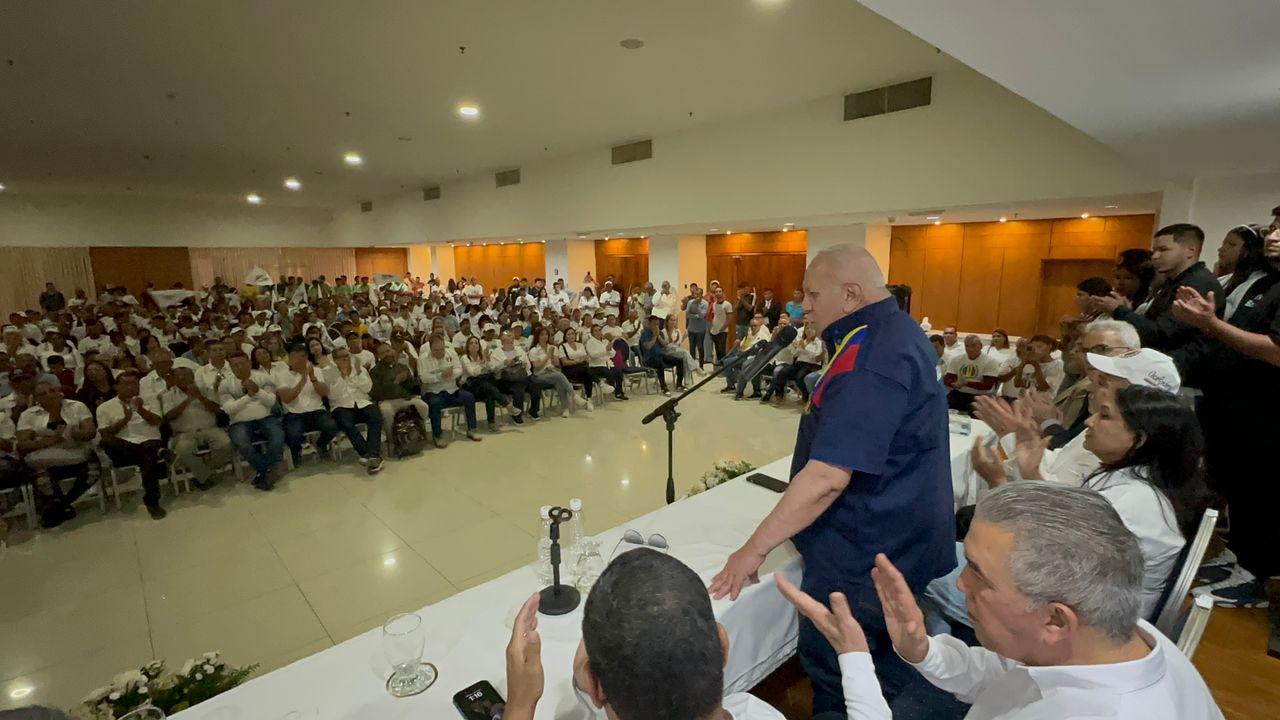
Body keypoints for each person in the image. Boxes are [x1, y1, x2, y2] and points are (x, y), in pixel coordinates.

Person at [710, 244, 954, 715]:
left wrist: (754, 549)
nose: (803, 306)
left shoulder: (871, 355)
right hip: (897, 532)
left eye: (812, 294)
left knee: (843, 674)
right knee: (885, 663)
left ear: (850, 294)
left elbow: (828, 476)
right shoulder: (893, 330)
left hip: (867, 549)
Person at [778, 483, 1223, 720]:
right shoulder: (1114, 640)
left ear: (1055, 620)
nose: (959, 584)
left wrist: (855, 660)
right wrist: (923, 650)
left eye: (977, 572)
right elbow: (1008, 679)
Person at [502, 549, 786, 720]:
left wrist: (520, 707)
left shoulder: (594, 692)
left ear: (597, 689)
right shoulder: (758, 711)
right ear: (723, 645)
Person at [1172, 224, 1280, 607]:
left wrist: (1212, 325)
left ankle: (1254, 579)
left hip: (1267, 414)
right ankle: (1240, 559)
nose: (1274, 236)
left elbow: (1275, 351)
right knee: (1239, 489)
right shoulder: (1267, 283)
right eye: (1274, 227)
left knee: (1260, 494)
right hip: (1238, 406)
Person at [1093, 223, 1223, 375]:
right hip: (1162, 365)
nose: (1155, 256)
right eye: (1154, 250)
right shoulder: (1174, 281)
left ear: (1190, 250)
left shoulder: (1197, 283)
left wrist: (1119, 311)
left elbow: (1162, 333)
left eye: (1163, 249)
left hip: (1178, 371)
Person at [17, 380, 98, 528]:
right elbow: (23, 445)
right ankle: (59, 508)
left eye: (52, 391)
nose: (49, 395)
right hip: (45, 460)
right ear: (36, 399)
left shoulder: (77, 406)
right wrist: (54, 439)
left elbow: (90, 432)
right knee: (39, 475)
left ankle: (59, 506)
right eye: (43, 394)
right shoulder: (28, 415)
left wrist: (71, 433)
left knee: (94, 471)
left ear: (59, 392)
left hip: (77, 454)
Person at [94, 371, 168, 518]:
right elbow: (105, 434)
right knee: (107, 442)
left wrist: (140, 410)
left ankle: (152, 503)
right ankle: (160, 454)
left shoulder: (149, 399)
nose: (131, 387)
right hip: (123, 449)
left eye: (134, 383)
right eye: (126, 384)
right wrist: (125, 420)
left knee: (147, 456)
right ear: (116, 386)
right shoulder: (105, 407)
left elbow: (157, 422)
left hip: (149, 441)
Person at [219, 351, 283, 491]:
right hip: (239, 422)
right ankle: (266, 471)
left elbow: (271, 401)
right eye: (235, 365)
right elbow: (229, 409)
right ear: (231, 367)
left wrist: (258, 391)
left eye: (242, 363)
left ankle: (262, 473)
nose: (239, 367)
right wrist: (248, 396)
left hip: (265, 417)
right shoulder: (225, 384)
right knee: (242, 443)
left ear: (249, 363)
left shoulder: (263, 378)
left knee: (278, 437)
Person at [161, 366, 233, 490]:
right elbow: (169, 416)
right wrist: (188, 400)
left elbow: (218, 409)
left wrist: (200, 397)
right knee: (183, 450)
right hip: (184, 433)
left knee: (227, 443)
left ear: (193, 377)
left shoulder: (206, 389)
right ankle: (205, 476)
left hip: (209, 428)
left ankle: (204, 471)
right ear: (174, 379)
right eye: (179, 376)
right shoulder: (168, 395)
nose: (182, 378)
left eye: (186, 375)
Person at [272, 344, 338, 466]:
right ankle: (296, 450)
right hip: (294, 413)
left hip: (317, 410)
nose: (297, 361)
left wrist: (313, 378)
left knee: (332, 426)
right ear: (290, 359)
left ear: (306, 357)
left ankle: (321, 444)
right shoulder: (281, 375)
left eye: (301, 357)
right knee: (293, 433)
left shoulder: (317, 371)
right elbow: (287, 399)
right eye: (294, 358)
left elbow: (324, 393)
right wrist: (303, 379)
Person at [323, 345, 384, 473]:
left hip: (362, 402)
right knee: (346, 423)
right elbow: (333, 395)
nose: (345, 359)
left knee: (375, 416)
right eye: (341, 357)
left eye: (347, 355)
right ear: (335, 360)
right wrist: (342, 375)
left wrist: (358, 372)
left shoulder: (359, 369)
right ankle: (369, 455)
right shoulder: (328, 372)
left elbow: (367, 388)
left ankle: (371, 455)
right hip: (341, 405)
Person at [418, 334, 481, 447]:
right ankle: (438, 435)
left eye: (442, 349)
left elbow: (459, 370)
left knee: (469, 397)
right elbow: (424, 378)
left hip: (452, 389)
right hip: (433, 392)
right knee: (434, 403)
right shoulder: (423, 359)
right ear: (430, 348)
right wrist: (439, 376)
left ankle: (472, 429)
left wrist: (451, 374)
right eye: (436, 350)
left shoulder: (451, 354)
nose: (440, 352)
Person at [368, 342, 431, 443]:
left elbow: (413, 387)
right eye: (383, 353)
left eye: (388, 351)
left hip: (406, 397)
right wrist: (395, 382)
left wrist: (409, 380)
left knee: (423, 406)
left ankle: (418, 431)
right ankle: (391, 439)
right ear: (378, 356)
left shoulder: (402, 367)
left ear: (392, 350)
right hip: (387, 400)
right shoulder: (374, 371)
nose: (387, 354)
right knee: (386, 412)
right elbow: (376, 392)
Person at [460, 336, 523, 430]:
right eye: (471, 343)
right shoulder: (464, 358)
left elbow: (493, 368)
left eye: (476, 343)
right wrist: (482, 363)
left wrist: (504, 363)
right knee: (485, 385)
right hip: (470, 385)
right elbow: (473, 373)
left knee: (489, 392)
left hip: (482, 385)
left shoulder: (482, 357)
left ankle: (491, 423)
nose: (474, 345)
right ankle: (508, 405)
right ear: (467, 346)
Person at [1215, 224, 1276, 320]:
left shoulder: (1260, 283)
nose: (1221, 249)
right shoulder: (1224, 279)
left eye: (1232, 245)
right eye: (1224, 243)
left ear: (1250, 250)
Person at [941, 335, 1000, 413]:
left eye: (973, 346)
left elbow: (988, 385)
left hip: (979, 397)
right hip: (958, 394)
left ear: (981, 346)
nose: (970, 349)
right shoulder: (956, 359)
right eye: (967, 346)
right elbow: (947, 378)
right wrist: (953, 383)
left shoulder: (990, 362)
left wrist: (966, 383)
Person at [768, 322, 823, 403]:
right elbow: (794, 354)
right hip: (799, 364)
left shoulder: (818, 342)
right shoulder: (802, 341)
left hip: (811, 365)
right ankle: (779, 394)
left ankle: (805, 396)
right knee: (782, 371)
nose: (809, 331)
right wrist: (795, 347)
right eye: (807, 328)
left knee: (799, 376)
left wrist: (804, 349)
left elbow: (816, 358)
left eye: (812, 329)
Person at [528, 326, 575, 418]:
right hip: (539, 375)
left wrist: (552, 355)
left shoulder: (552, 347)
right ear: (537, 337)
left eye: (546, 334)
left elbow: (556, 364)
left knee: (559, 381)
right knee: (559, 376)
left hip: (552, 373)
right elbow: (537, 367)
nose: (544, 337)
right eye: (542, 335)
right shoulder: (534, 350)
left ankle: (565, 408)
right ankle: (573, 395)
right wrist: (548, 355)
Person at [639, 315, 684, 396]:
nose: (656, 326)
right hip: (649, 358)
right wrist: (654, 336)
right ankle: (664, 388)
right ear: (649, 324)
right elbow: (648, 346)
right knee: (659, 364)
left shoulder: (660, 333)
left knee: (679, 361)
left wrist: (658, 336)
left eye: (658, 324)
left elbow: (665, 345)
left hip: (661, 355)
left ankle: (679, 385)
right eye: (654, 324)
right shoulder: (645, 334)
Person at [555, 328, 597, 410]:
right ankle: (599, 383)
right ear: (565, 337)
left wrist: (581, 360)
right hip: (569, 370)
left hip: (582, 369)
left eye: (573, 334)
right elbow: (564, 362)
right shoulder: (563, 346)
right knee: (587, 371)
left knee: (587, 373)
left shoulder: (580, 345)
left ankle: (588, 398)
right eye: (569, 334)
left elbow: (586, 357)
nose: (571, 336)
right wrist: (577, 361)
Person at [585, 324, 627, 400]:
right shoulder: (590, 342)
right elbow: (593, 355)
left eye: (599, 330)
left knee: (618, 371)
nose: (598, 332)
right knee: (608, 372)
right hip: (596, 366)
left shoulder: (605, 341)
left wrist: (609, 350)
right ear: (592, 333)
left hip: (607, 364)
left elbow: (613, 354)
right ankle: (613, 391)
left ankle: (619, 392)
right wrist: (605, 350)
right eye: (595, 331)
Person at [685, 286, 710, 368]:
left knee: (700, 347)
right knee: (692, 347)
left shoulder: (705, 303)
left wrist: (696, 307)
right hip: (691, 329)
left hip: (701, 329)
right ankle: (692, 366)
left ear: (702, 295)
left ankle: (701, 365)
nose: (696, 296)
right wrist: (696, 315)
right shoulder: (690, 302)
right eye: (696, 294)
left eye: (698, 294)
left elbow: (702, 315)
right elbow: (687, 315)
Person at [708, 287, 733, 363]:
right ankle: (718, 366)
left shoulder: (727, 304)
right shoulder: (714, 304)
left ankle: (723, 367)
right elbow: (714, 316)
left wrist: (723, 328)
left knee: (722, 350)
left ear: (722, 293)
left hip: (722, 331)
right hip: (714, 330)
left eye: (720, 291)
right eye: (716, 292)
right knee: (717, 350)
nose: (718, 293)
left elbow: (729, 318)